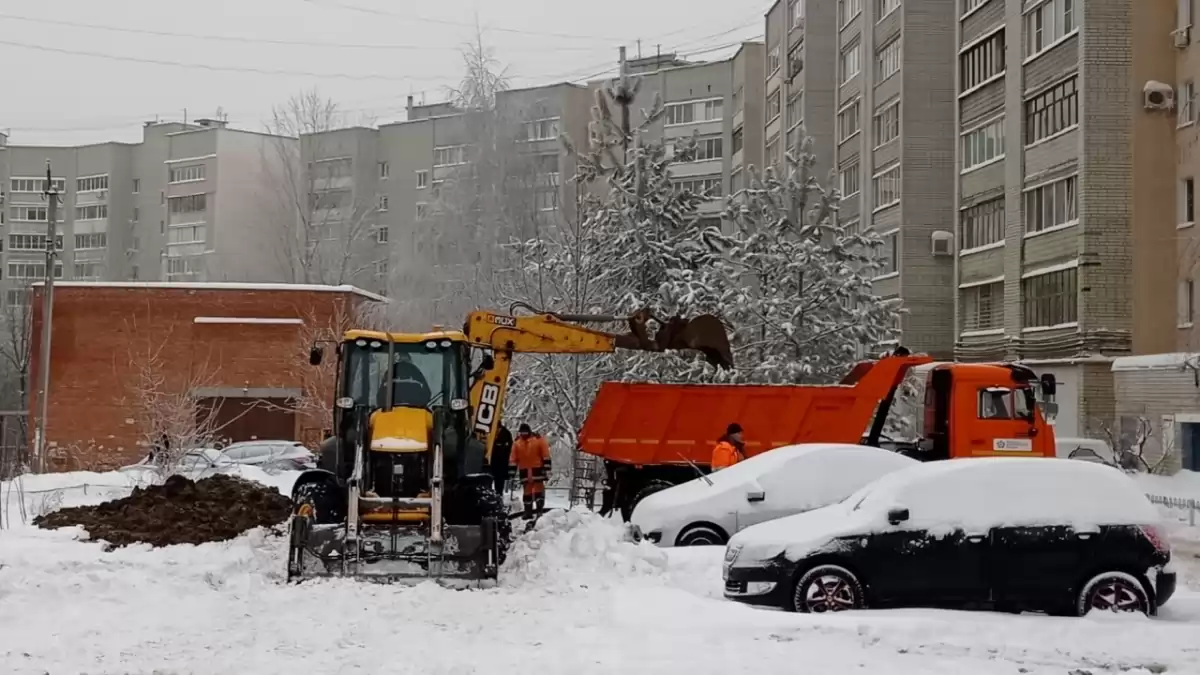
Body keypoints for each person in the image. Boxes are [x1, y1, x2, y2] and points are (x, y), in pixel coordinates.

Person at [510, 422, 551, 519]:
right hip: (525, 471)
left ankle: (539, 511)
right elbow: (513, 459)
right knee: (527, 493)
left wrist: (547, 468)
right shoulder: (517, 443)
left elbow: (545, 454)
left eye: (525, 432)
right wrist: (511, 472)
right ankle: (528, 511)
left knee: (538, 492)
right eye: (522, 433)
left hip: (537, 470)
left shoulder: (538, 440)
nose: (523, 434)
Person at [490, 423, 514, 495]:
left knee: (499, 481)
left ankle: (499, 494)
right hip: (491, 461)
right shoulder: (490, 432)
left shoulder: (506, 433)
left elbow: (510, 447)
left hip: (502, 461)